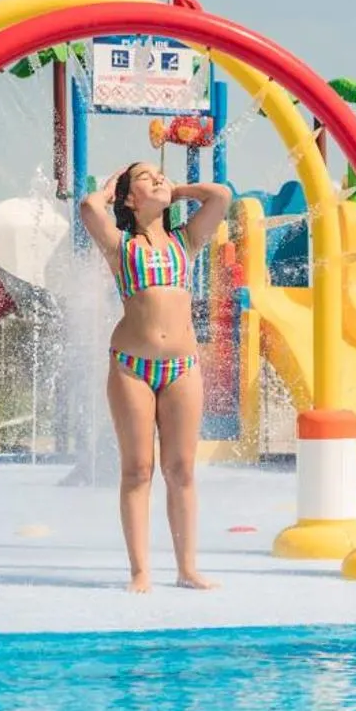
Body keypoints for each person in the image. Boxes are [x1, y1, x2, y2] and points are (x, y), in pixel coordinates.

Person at [79, 161, 232, 592]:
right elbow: (89, 208)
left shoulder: (187, 242)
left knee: (181, 469)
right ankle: (140, 571)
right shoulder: (121, 246)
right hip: (132, 366)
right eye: (146, 178)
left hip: (182, 367)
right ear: (130, 198)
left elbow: (220, 195)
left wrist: (175, 190)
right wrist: (111, 190)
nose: (158, 178)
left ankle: (186, 568)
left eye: (160, 174)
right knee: (138, 469)